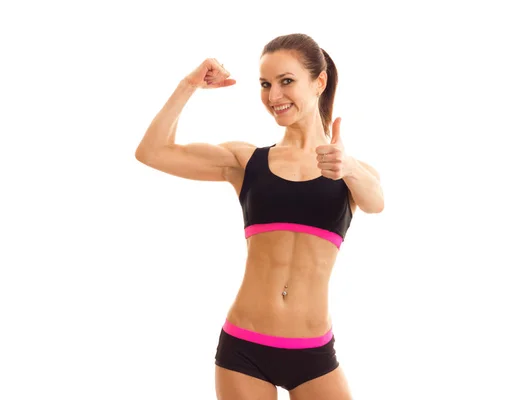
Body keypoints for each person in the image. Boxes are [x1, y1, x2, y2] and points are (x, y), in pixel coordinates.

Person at [135, 33, 384, 400]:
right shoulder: (245, 161)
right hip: (244, 348)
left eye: (286, 82)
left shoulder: (348, 171)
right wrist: (188, 85)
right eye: (266, 85)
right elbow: (152, 152)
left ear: (319, 81)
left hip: (313, 353)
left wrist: (348, 167)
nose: (273, 97)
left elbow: (376, 201)